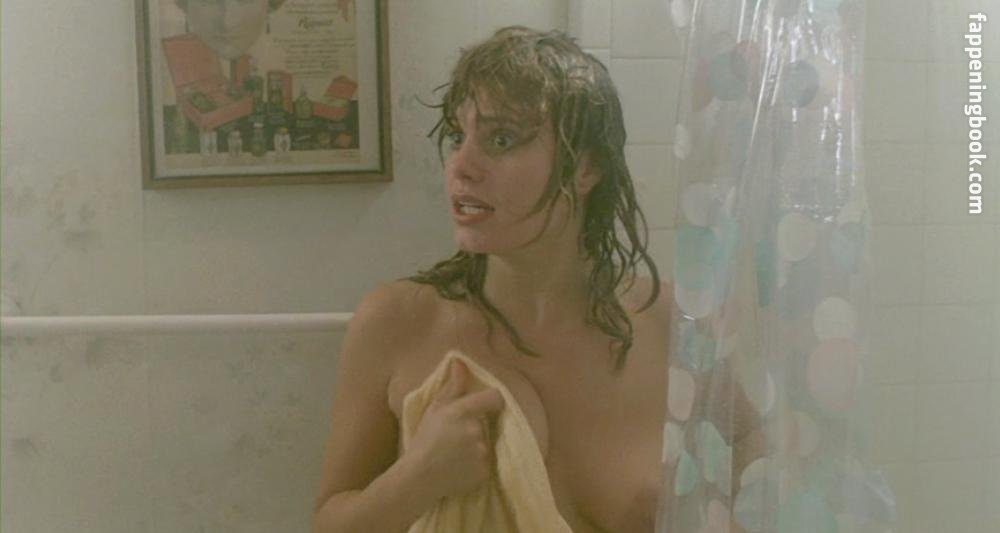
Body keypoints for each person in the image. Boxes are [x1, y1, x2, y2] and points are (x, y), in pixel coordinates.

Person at [311, 26, 760, 533]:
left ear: (586, 168)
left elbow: (761, 468)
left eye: (501, 139)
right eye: (459, 137)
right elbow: (329, 525)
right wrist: (416, 479)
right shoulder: (399, 322)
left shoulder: (673, 328)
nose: (461, 166)